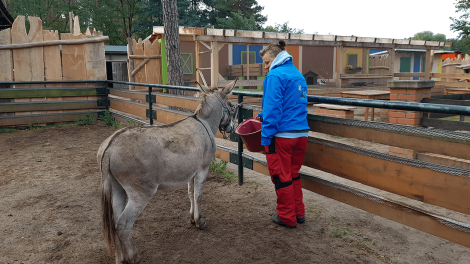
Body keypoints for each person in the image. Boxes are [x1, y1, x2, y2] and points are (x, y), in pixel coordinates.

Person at [256, 40, 310, 228]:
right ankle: (299, 213)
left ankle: (287, 217)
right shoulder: (298, 75)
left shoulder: (275, 76)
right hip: (301, 134)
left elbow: (273, 111)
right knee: (293, 174)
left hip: (282, 137)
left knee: (281, 176)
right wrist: (264, 115)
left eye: (267, 62)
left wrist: (265, 138)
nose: (265, 67)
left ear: (277, 58)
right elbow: (292, 105)